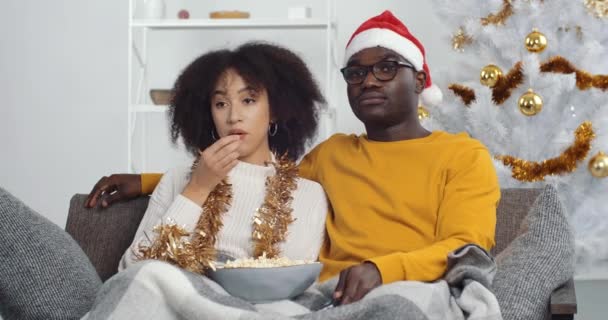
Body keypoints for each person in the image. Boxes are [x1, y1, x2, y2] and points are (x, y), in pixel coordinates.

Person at [87, 10, 500, 307]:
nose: (370, 79)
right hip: (327, 298)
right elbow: (255, 176)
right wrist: (148, 182)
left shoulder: (463, 155)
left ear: (421, 80)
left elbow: (467, 246)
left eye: (388, 67)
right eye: (356, 72)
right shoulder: (334, 154)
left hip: (405, 291)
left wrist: (381, 269)